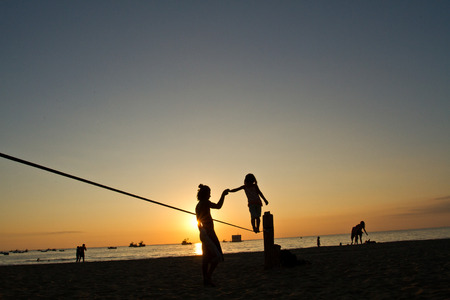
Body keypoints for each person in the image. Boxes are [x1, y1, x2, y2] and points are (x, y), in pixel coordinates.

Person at [196, 184, 229, 287]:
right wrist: (223, 195)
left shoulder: (198, 205)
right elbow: (218, 206)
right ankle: (208, 278)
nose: (210, 195)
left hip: (203, 233)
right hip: (209, 233)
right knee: (218, 256)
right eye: (209, 193)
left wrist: (201, 232)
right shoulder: (205, 202)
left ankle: (206, 280)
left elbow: (197, 222)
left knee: (205, 257)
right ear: (205, 194)